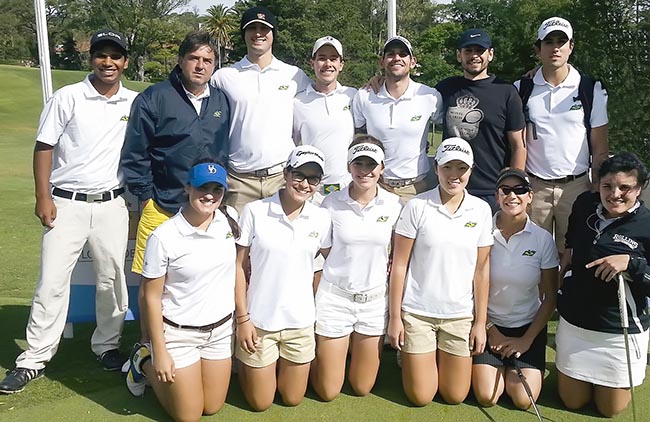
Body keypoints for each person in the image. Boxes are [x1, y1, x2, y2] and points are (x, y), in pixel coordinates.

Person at [0, 29, 137, 394]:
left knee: (112, 279)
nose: (108, 62)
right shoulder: (68, 97)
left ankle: (107, 345)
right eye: (101, 55)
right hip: (66, 203)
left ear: (125, 61)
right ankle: (34, 358)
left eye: (115, 56)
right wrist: (42, 196)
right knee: (52, 282)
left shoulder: (133, 102)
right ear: (90, 58)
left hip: (112, 204)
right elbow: (44, 146)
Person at [120, 31, 230, 350]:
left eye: (207, 60)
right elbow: (135, 153)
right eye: (194, 58)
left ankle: (195, 341)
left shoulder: (221, 100)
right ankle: (147, 347)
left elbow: (222, 150)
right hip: (163, 206)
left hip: (208, 208)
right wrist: (146, 195)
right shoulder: (154, 97)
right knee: (151, 283)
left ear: (214, 65)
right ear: (181, 60)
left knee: (201, 278)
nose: (200, 65)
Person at [125, 162, 238, 421]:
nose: (209, 195)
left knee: (212, 406)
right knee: (189, 416)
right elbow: (151, 297)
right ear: (187, 188)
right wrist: (159, 351)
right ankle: (142, 362)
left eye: (216, 189)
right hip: (178, 334)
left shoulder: (228, 219)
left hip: (220, 332)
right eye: (202, 188)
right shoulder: (164, 237)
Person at [388, 137, 493, 405]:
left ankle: (428, 359)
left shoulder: (481, 210)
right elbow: (399, 264)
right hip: (417, 314)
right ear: (436, 168)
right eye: (448, 167)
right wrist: (395, 318)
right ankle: (416, 358)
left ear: (471, 170)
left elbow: (481, 270)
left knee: (455, 395)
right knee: (421, 396)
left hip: (459, 316)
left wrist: (479, 323)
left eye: (461, 168)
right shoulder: (416, 206)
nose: (454, 175)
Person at [234, 145, 331, 411]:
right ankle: (245, 363)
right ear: (286, 173)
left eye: (313, 179)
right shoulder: (254, 211)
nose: (305, 184)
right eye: (299, 174)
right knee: (260, 403)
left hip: (300, 324)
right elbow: (239, 266)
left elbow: (325, 266)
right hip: (259, 322)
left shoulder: (322, 218)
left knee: (292, 398)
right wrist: (242, 319)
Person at [555, 152, 650, 418]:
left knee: (609, 410)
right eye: (607, 186)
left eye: (625, 188)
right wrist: (567, 265)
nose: (615, 194)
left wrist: (632, 264)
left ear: (639, 188)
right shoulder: (585, 202)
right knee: (572, 402)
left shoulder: (646, 224)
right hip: (576, 323)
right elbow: (572, 236)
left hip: (618, 331)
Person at [311, 136, 403, 401]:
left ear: (382, 168)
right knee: (328, 392)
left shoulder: (394, 205)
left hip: (373, 302)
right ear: (349, 166)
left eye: (371, 164)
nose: (365, 170)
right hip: (335, 299)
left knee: (362, 388)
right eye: (358, 163)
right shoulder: (331, 203)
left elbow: (398, 255)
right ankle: (308, 364)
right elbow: (326, 251)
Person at [514, 17, 609, 252]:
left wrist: (597, 187)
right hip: (535, 187)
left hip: (577, 187)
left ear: (571, 47)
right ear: (538, 49)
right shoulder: (521, 88)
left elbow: (600, 148)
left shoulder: (590, 89)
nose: (555, 47)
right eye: (549, 42)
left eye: (561, 41)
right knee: (532, 257)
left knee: (573, 256)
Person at [471, 168, 559, 409]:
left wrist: (526, 340)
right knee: (487, 396)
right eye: (505, 190)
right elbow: (471, 286)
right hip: (489, 326)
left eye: (520, 190)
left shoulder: (542, 239)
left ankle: (519, 368)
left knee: (522, 400)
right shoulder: (482, 231)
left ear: (530, 196)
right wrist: (490, 329)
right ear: (497, 195)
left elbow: (550, 297)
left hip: (527, 329)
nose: (513, 195)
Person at [212, 6, 312, 212]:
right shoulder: (224, 76)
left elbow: (321, 95)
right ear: (244, 34)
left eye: (264, 29)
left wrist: (378, 80)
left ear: (273, 35)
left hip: (282, 179)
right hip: (239, 180)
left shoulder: (294, 75)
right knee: (238, 242)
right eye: (252, 28)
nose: (258, 33)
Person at [435, 29, 526, 211]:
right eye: (468, 51)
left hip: (492, 190)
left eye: (480, 50)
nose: (474, 56)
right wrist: (382, 79)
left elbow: (519, 146)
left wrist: (512, 188)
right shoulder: (445, 88)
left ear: (490, 54)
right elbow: (409, 91)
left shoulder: (506, 92)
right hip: (452, 186)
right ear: (459, 55)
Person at [353, 35, 443, 201]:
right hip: (376, 186)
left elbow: (448, 127)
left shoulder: (430, 96)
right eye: (391, 54)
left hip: (417, 187)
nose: (397, 58)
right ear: (382, 62)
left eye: (403, 54)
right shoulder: (364, 96)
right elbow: (357, 133)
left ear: (413, 62)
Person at [293, 35, 356, 203]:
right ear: (312, 63)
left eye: (333, 59)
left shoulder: (354, 96)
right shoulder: (298, 102)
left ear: (341, 65)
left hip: (347, 187)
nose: (327, 64)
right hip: (311, 190)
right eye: (321, 58)